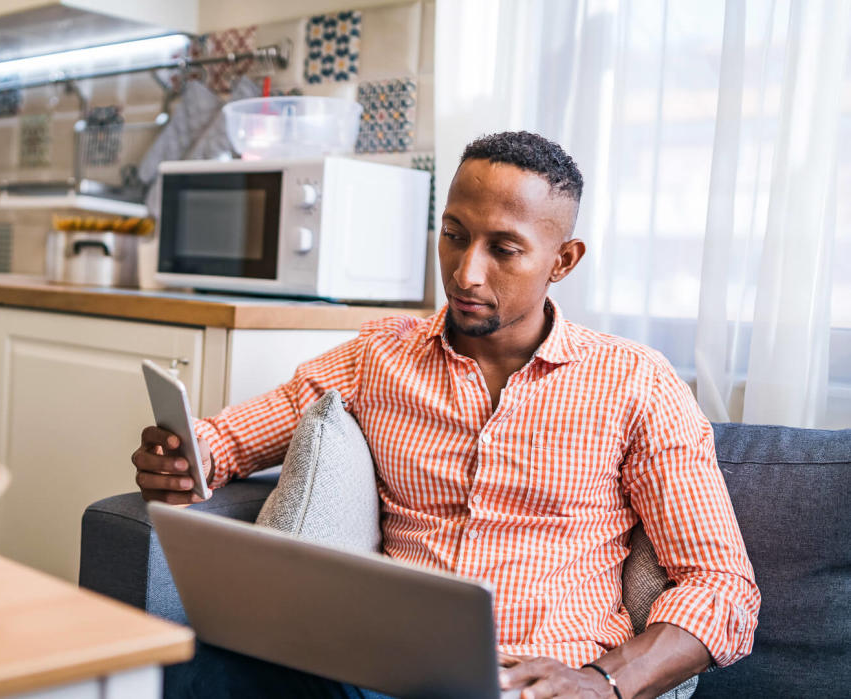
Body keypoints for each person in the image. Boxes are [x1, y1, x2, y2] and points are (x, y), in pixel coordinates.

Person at [131, 131, 760, 699]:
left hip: (538, 680)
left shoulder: (638, 384)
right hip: (376, 669)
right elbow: (231, 438)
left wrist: (605, 680)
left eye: (504, 249)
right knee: (173, 666)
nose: (465, 272)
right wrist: (189, 458)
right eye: (454, 234)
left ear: (562, 261)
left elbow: (722, 586)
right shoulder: (378, 355)